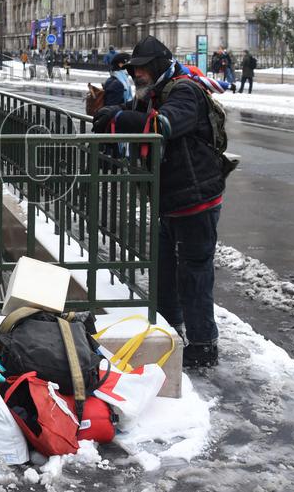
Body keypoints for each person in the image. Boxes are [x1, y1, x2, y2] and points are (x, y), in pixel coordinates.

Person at [91, 35, 226, 368]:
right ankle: (168, 329)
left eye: (141, 69)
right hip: (170, 197)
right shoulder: (151, 93)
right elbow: (131, 113)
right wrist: (112, 113)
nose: (136, 75)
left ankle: (204, 344)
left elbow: (160, 125)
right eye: (134, 69)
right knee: (165, 270)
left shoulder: (185, 91)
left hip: (196, 198)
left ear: (156, 67)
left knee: (194, 273)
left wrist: (117, 119)